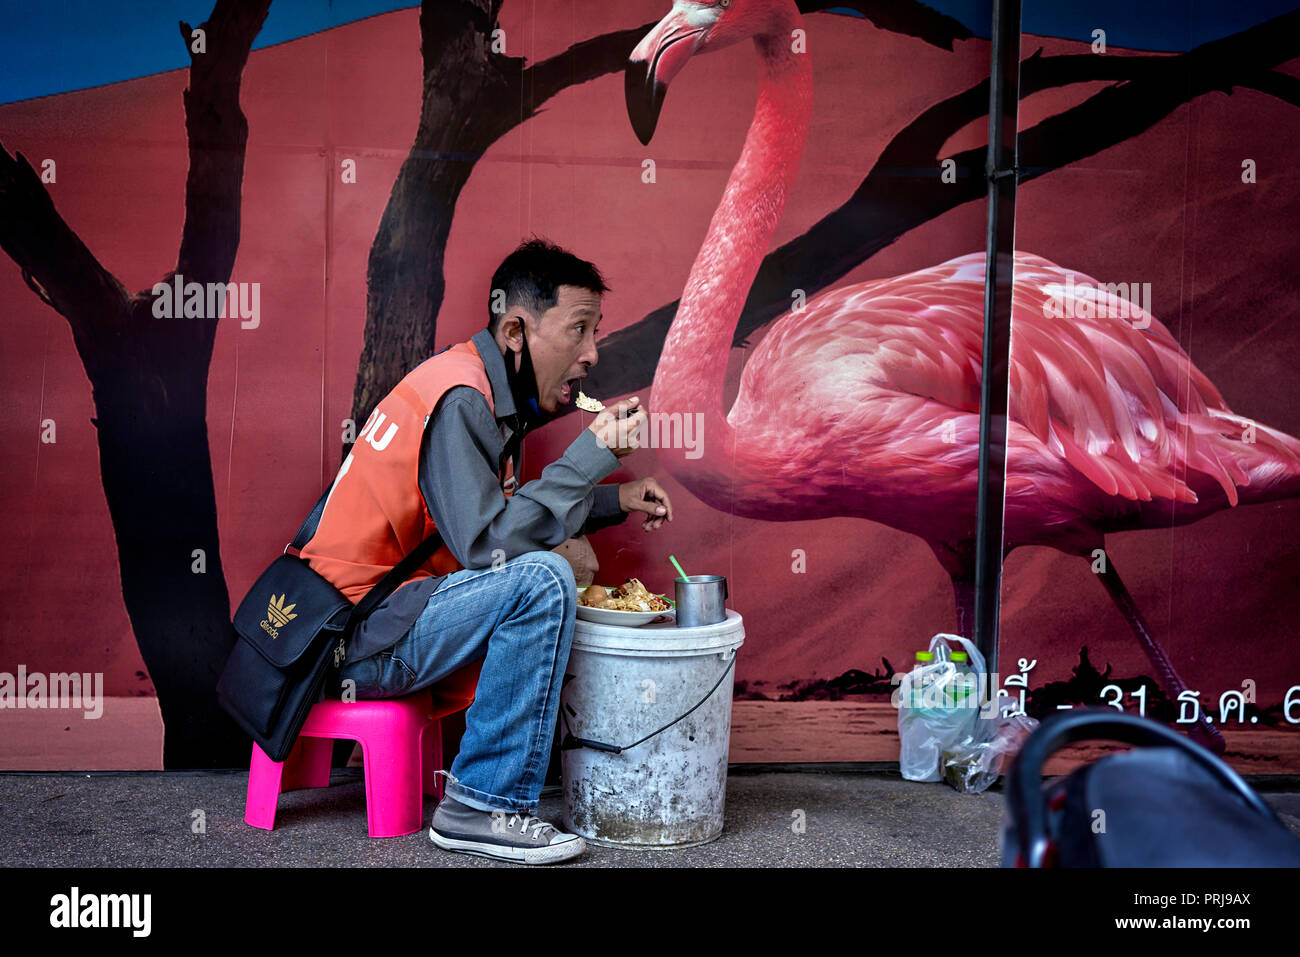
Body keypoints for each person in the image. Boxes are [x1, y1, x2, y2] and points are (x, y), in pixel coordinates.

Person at [299, 238, 674, 864]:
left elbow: (502, 521)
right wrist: (592, 455)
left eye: (596, 331)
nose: (591, 354)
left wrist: (615, 499)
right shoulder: (460, 398)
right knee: (545, 577)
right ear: (516, 330)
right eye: (578, 330)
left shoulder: (482, 391)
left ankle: (489, 790)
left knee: (550, 563)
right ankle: (481, 804)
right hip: (346, 643)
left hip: (382, 624)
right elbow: (487, 546)